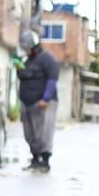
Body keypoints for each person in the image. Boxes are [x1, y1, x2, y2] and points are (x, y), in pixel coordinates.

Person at [15, 29, 59, 171]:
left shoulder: (47, 59)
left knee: (43, 133)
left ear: (33, 47)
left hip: (42, 103)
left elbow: (52, 79)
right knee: (29, 134)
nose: (25, 51)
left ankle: (44, 160)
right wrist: (19, 70)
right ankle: (35, 158)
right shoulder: (27, 61)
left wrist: (46, 98)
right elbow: (24, 77)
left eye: (27, 48)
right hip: (27, 103)